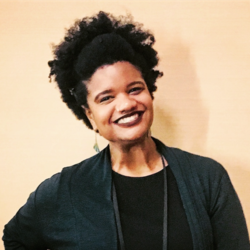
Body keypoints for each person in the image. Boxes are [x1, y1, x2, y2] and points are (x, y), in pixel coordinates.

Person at [2, 11, 250, 250]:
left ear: (149, 91)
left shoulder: (207, 178)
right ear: (89, 114)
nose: (126, 104)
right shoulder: (66, 189)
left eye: (134, 89)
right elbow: (14, 238)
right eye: (106, 98)